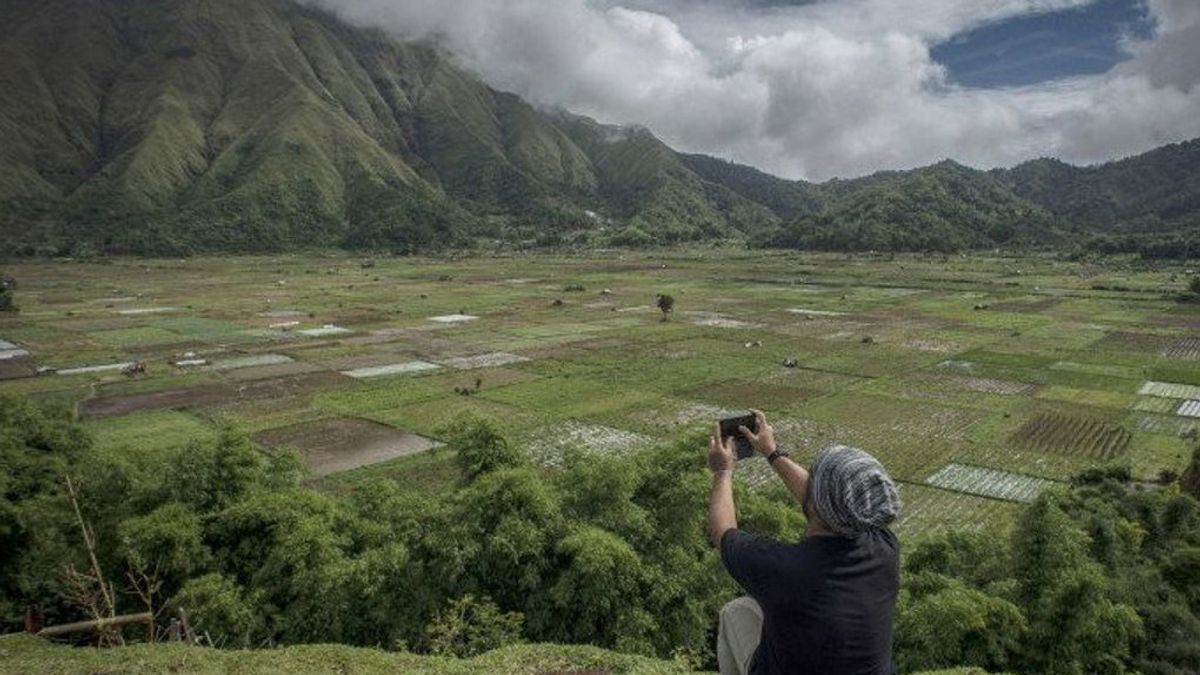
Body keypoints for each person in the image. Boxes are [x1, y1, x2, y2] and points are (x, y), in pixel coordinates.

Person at [707, 411, 901, 675]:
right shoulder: (884, 549)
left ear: (816, 500)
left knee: (736, 611)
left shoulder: (786, 568)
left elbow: (723, 531)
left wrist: (722, 471)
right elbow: (826, 500)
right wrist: (772, 453)